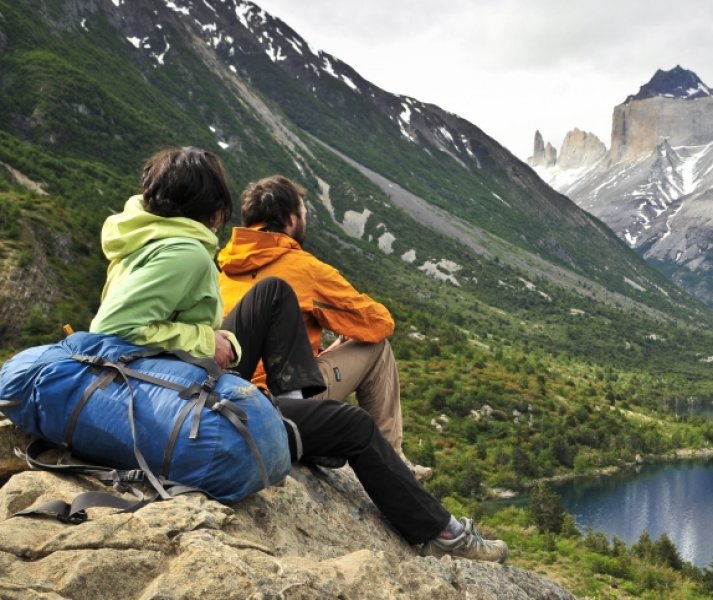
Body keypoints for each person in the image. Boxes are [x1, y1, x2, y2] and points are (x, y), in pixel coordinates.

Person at [89, 146, 507, 563]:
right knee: (357, 426)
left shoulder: (161, 246)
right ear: (215, 209)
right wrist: (208, 341)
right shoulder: (188, 252)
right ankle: (439, 532)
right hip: (195, 403)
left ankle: (294, 409)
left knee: (273, 293)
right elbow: (112, 327)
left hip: (176, 385)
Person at [217, 175, 432, 481]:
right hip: (281, 401)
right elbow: (379, 324)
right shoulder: (304, 267)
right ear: (291, 221)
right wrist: (346, 333)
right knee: (376, 348)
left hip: (229, 393)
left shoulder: (223, 264)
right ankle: (393, 462)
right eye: (304, 215)